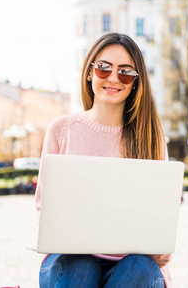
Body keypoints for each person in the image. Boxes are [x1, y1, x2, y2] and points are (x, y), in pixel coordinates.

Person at [34, 33, 170, 288]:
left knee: (139, 267)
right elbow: (44, 209)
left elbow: (160, 214)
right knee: (81, 266)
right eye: (104, 68)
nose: (114, 78)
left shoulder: (152, 137)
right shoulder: (62, 129)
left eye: (126, 72)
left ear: (136, 82)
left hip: (133, 262)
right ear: (89, 72)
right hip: (69, 259)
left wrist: (160, 247)